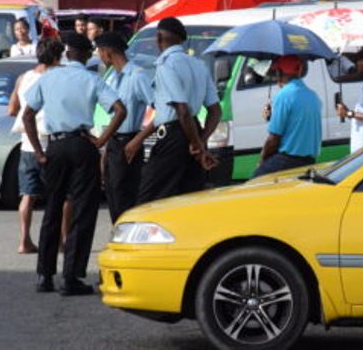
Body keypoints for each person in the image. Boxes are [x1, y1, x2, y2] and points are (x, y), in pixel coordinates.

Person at [23, 32, 127, 296]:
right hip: (82, 145)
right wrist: (103, 138)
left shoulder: (48, 77)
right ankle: (71, 278)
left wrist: (38, 150)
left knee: (52, 209)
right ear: (86, 54)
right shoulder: (91, 79)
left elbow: (27, 115)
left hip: (55, 147)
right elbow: (120, 109)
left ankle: (44, 276)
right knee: (82, 212)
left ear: (67, 53)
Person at [136, 17, 221, 203]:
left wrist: (196, 145)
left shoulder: (166, 64)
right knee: (187, 199)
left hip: (175, 135)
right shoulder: (199, 65)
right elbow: (215, 111)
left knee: (149, 199)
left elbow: (181, 110)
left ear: (159, 37)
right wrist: (201, 141)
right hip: (194, 131)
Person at [8, 39, 72, 254]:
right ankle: (62, 241)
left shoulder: (23, 78)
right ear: (56, 57)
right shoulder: (56, 79)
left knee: (28, 194)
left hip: (26, 145)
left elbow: (12, 109)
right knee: (62, 196)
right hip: (49, 142)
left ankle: (24, 241)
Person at [95, 32, 153, 223]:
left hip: (129, 142)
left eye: (100, 52)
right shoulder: (113, 78)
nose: (99, 56)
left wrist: (138, 140)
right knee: (112, 195)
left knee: (125, 198)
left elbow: (161, 111)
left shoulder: (137, 75)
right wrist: (105, 151)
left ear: (108, 52)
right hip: (113, 143)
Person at [254, 55, 322, 177]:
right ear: (300, 71)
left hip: (286, 161)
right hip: (309, 161)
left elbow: (273, 139)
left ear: (279, 72)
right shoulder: (313, 96)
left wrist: (262, 161)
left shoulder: (284, 96)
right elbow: (297, 125)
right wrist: (271, 117)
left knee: (254, 185)